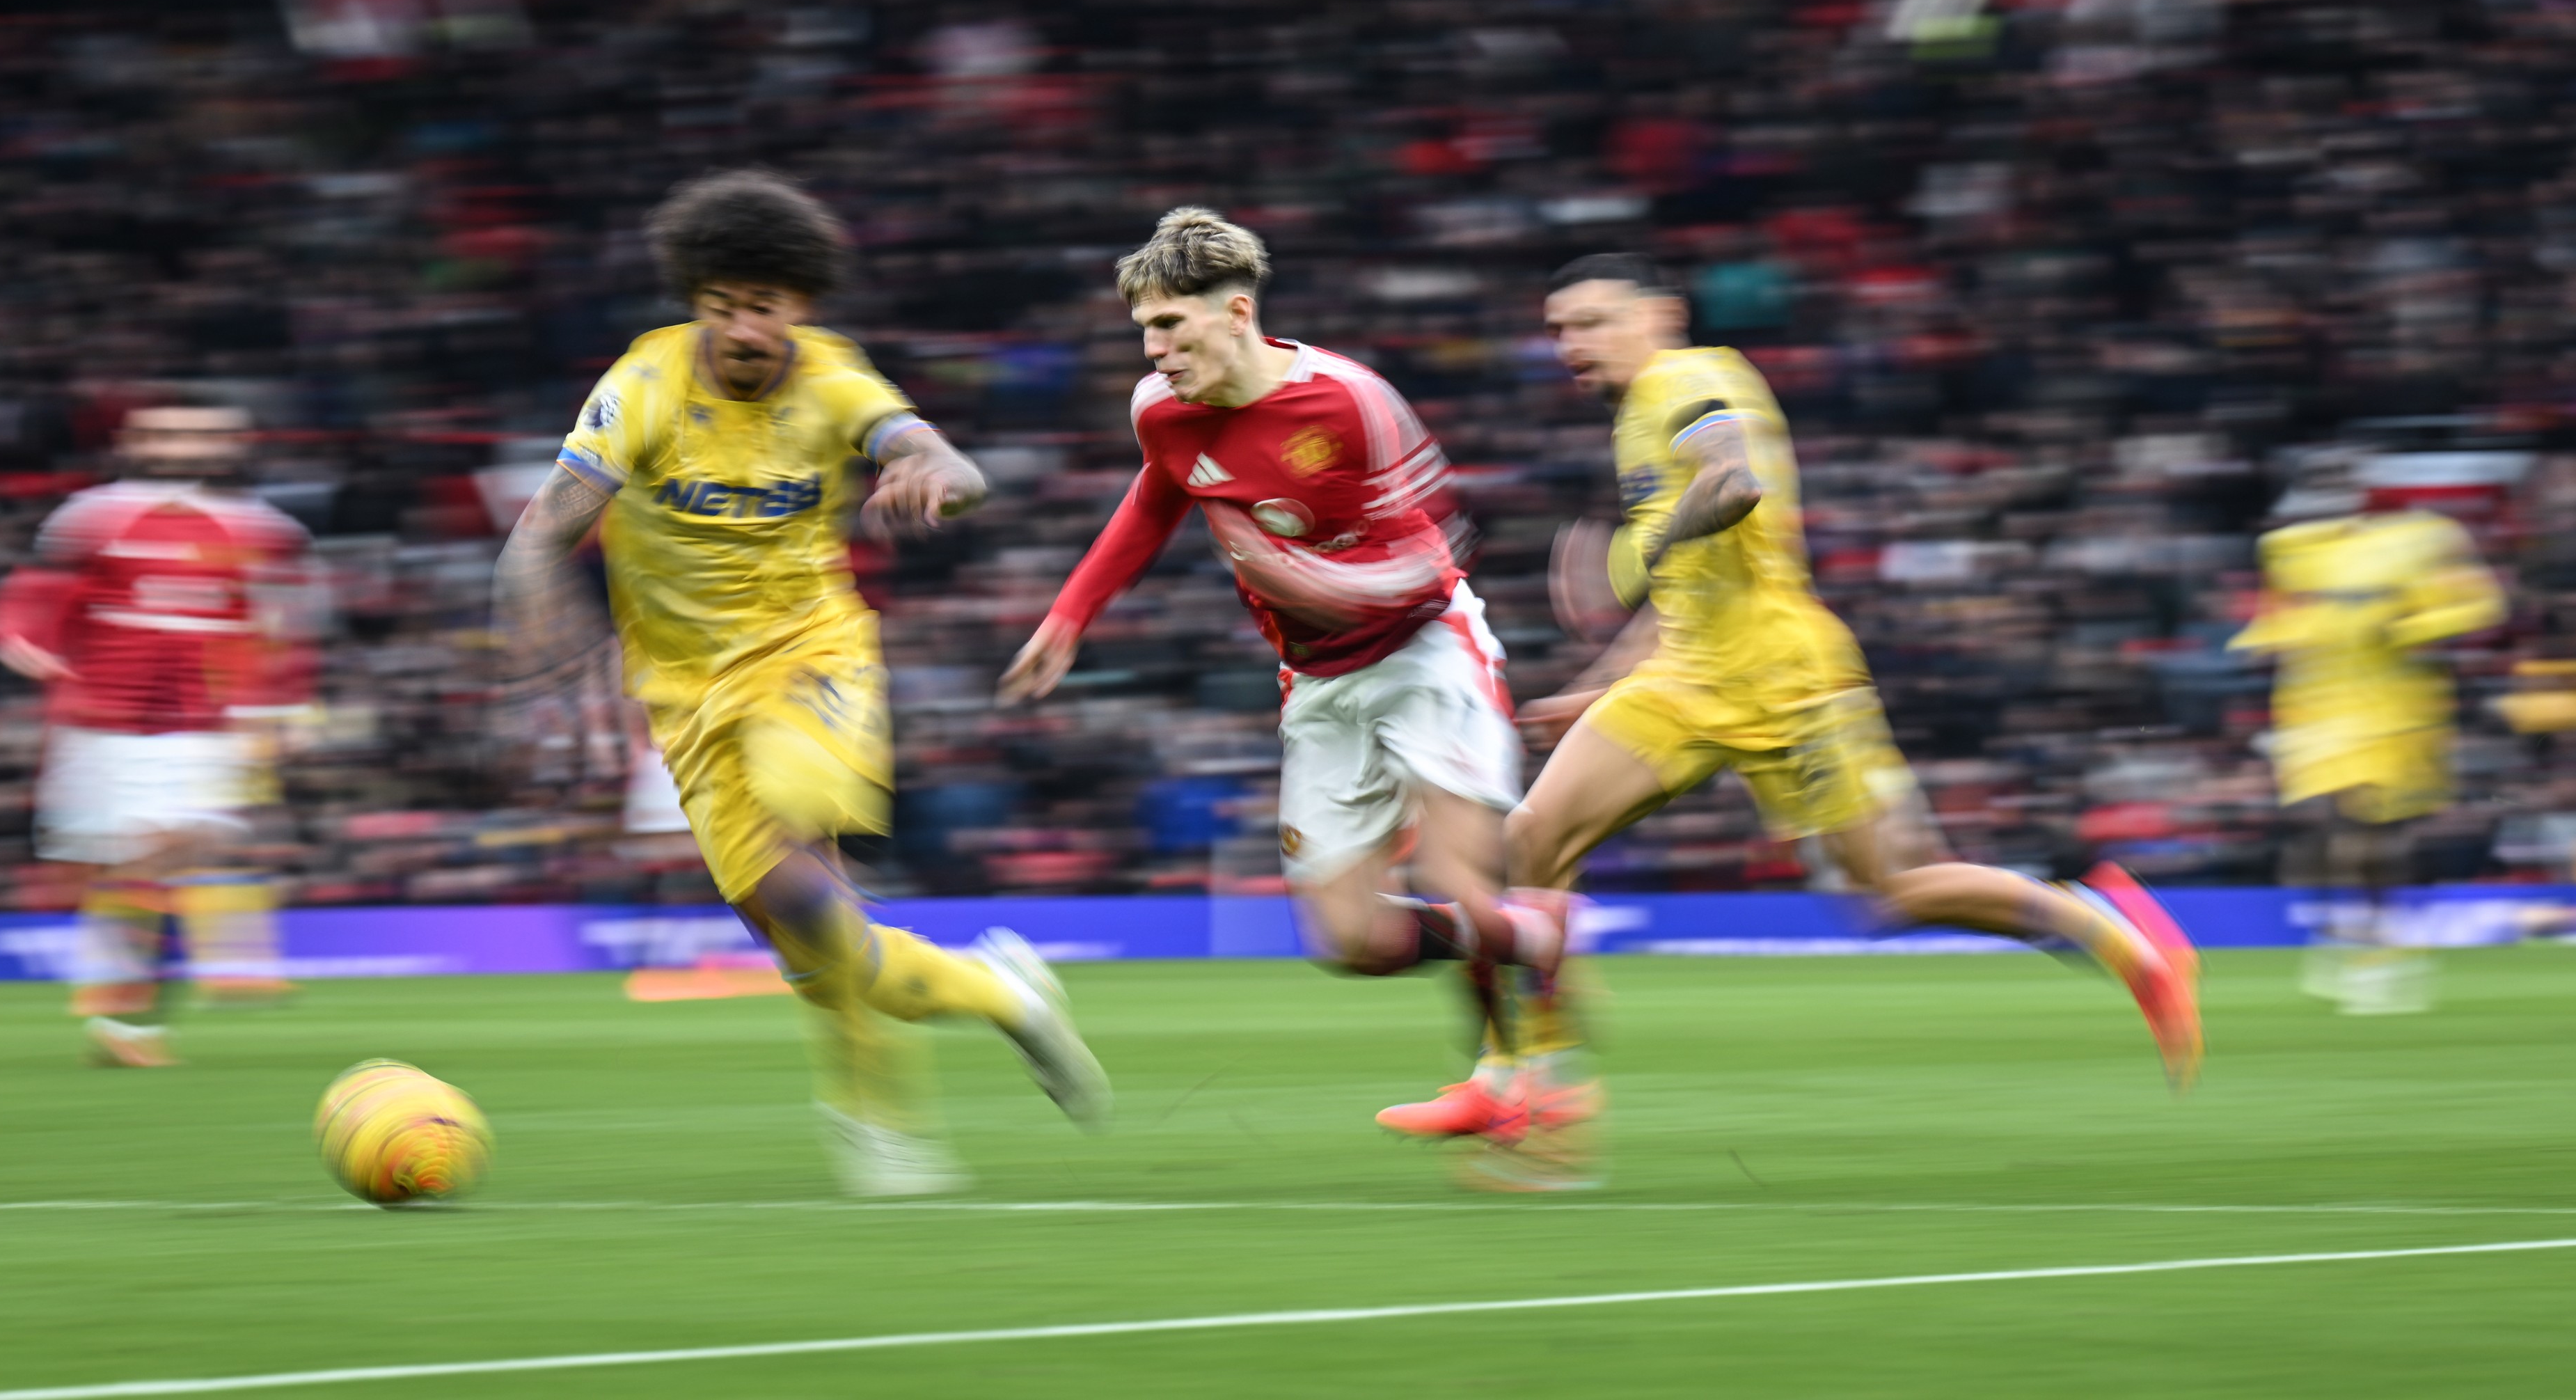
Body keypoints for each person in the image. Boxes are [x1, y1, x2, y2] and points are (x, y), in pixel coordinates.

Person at [1505, 255, 2204, 1181]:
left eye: (1590, 323)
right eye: (1558, 329)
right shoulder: (1639, 410)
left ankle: (2119, 936)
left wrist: (1645, 546)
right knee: (1533, 838)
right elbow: (1689, 588)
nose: (1570, 346)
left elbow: (1735, 483)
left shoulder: (1688, 379)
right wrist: (1600, 680)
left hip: (1790, 679)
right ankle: (1547, 1084)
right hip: (1686, 677)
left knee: (1897, 889)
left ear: (1658, 316)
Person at [496, 171, 1107, 1197]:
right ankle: (1001, 994)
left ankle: (882, 1121)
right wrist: (540, 624)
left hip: (810, 655)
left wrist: (938, 480)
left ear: (801, 306)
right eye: (724, 302)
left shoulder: (832, 378)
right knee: (808, 929)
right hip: (685, 695)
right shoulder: (643, 385)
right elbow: (543, 526)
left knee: (797, 873)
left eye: (766, 304)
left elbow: (947, 459)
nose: (744, 325)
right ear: (696, 298)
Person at [999, 208, 1569, 1149]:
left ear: (1235, 312)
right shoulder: (1160, 407)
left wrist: (1315, 580)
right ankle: (1530, 936)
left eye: (1170, 325)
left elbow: (1435, 565)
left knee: (1456, 871)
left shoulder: (1352, 401)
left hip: (1427, 651)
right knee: (1350, 940)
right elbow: (1155, 494)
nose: (1154, 349)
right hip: (1317, 679)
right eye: (1144, 329)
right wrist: (1071, 613)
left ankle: (1510, 1076)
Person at [0, 405, 318, 1067]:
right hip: (102, 719)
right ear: (134, 442)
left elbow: (281, 627)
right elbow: (36, 593)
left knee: (177, 846)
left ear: (231, 442)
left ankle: (131, 1014)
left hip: (202, 726)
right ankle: (155, 999)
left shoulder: (266, 529)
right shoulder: (90, 517)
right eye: (168, 433)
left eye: (201, 434)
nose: (185, 447)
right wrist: (20, 638)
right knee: (126, 863)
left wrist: (288, 708)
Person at [2233, 450, 2506, 1014]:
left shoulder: (2426, 537)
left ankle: (2375, 952)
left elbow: (2484, 604)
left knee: (2374, 832)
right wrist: (2258, 641)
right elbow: (2277, 615)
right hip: (2311, 707)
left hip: (2396, 707)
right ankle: (2351, 935)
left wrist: (2410, 627)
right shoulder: (2285, 549)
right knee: (2327, 826)